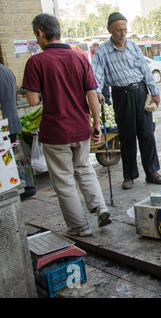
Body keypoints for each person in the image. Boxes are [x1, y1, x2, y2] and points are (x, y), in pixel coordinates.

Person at [22, 13, 111, 236]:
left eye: (36, 35)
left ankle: (80, 227)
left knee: (64, 181)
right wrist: (96, 124)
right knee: (85, 169)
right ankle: (100, 207)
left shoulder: (36, 62)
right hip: (81, 128)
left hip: (55, 132)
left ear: (40, 33)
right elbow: (92, 93)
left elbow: (32, 101)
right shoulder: (80, 57)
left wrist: (45, 90)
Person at [92, 12, 161, 190]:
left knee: (147, 133)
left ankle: (152, 171)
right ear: (109, 30)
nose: (123, 33)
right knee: (127, 137)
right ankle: (129, 175)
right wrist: (97, 92)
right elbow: (96, 74)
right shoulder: (102, 51)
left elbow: (145, 70)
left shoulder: (133, 46)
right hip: (120, 95)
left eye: (125, 29)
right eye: (119, 30)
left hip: (140, 92)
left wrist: (154, 91)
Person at [0, 63, 37, 200]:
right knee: (12, 158)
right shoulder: (6, 70)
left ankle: (26, 186)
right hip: (12, 121)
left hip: (3, 125)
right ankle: (26, 185)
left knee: (8, 160)